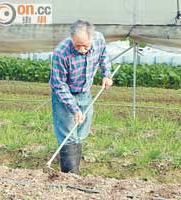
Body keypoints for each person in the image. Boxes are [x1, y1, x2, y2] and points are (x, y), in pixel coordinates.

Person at [50, 19, 113, 174]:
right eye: (78, 45)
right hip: (65, 94)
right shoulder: (61, 53)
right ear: (71, 39)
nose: (83, 49)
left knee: (82, 129)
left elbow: (103, 56)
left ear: (92, 38)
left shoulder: (99, 39)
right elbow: (60, 85)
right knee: (68, 133)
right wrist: (74, 109)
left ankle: (75, 166)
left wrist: (106, 74)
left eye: (86, 45)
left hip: (84, 91)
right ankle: (70, 175)